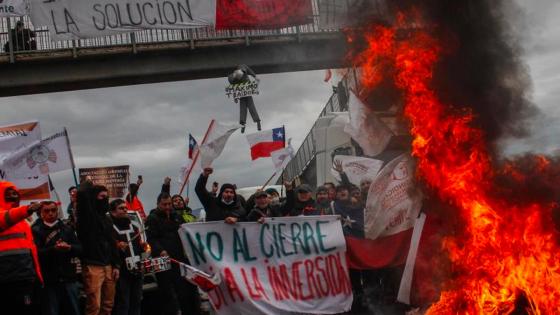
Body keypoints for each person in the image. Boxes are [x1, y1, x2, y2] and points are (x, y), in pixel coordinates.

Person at [146, 193, 200, 315]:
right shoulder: (152, 218)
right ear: (158, 204)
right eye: (164, 204)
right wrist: (160, 250)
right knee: (167, 292)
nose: (167, 207)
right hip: (163, 260)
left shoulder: (175, 216)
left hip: (179, 258)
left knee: (185, 290)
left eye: (169, 204)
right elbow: (151, 238)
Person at [77, 179, 120, 315]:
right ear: (94, 197)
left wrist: (116, 265)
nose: (105, 199)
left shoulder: (107, 219)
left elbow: (112, 242)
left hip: (108, 265)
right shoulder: (86, 217)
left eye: (107, 197)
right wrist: (88, 183)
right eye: (102, 197)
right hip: (93, 265)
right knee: (94, 305)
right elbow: (82, 196)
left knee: (108, 305)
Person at [0, 181, 43, 314]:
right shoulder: (15, 215)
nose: (13, 195)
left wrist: (38, 277)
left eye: (15, 193)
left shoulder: (24, 223)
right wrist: (27, 209)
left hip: (25, 278)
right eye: (9, 193)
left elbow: (32, 251)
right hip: (6, 280)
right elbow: (5, 218)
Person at [32, 201, 82, 315]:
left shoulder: (67, 229)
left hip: (69, 278)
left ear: (57, 211)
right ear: (41, 213)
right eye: (47, 211)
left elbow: (80, 249)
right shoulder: (35, 231)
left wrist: (69, 248)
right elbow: (35, 254)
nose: (51, 213)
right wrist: (54, 249)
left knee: (74, 310)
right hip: (49, 280)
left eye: (53, 210)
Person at [109, 199, 145, 315]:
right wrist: (117, 245)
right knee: (123, 303)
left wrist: (143, 246)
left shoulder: (134, 227)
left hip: (137, 269)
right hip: (121, 271)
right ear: (113, 212)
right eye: (121, 208)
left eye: (125, 207)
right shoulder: (109, 228)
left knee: (137, 301)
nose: (125, 210)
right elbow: (105, 246)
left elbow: (139, 248)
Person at [228, 64, 261, 133]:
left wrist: (255, 76)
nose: (239, 78)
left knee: (251, 106)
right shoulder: (231, 78)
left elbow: (249, 70)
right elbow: (233, 88)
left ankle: (257, 121)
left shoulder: (243, 67)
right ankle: (242, 124)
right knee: (242, 108)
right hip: (242, 93)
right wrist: (235, 97)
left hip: (248, 91)